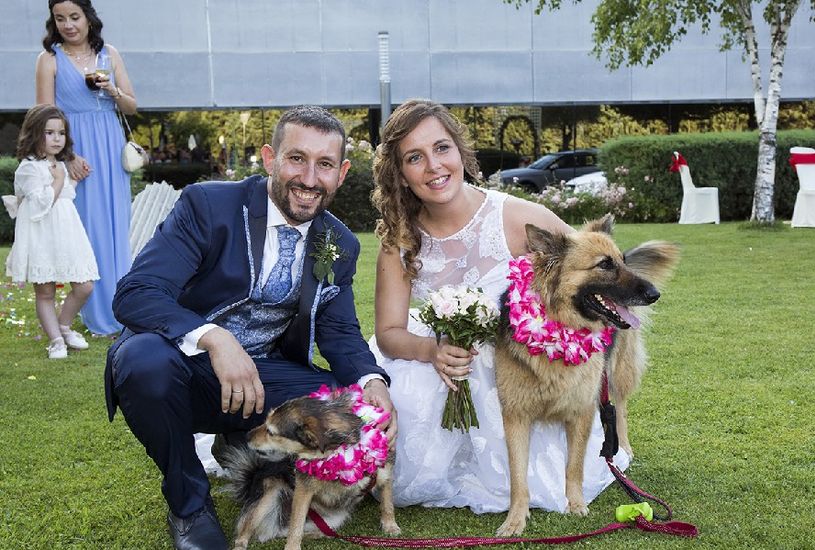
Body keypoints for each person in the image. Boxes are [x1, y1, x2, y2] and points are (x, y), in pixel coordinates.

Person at [106, 105, 396, 550]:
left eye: (325, 165)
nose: (309, 179)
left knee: (345, 402)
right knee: (143, 360)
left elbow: (338, 332)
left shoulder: (340, 242)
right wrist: (215, 338)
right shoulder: (208, 205)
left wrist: (370, 380)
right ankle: (188, 505)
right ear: (269, 158)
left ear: (342, 172)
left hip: (262, 377)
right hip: (180, 367)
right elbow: (137, 291)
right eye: (296, 158)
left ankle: (242, 439)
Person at [370, 99, 628, 513]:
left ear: (460, 151)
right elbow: (388, 333)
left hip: (518, 366)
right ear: (400, 174)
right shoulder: (398, 242)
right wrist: (432, 352)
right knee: (402, 400)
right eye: (414, 158)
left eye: (441, 148)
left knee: (544, 486)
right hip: (440, 359)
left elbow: (589, 277)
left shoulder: (515, 216)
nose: (433, 166)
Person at [36, 0, 136, 335]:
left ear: (88, 18)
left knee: (115, 226)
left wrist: (112, 89)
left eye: (74, 17)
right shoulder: (49, 60)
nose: (68, 25)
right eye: (60, 18)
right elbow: (44, 118)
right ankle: (96, 313)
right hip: (76, 154)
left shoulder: (110, 53)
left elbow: (132, 106)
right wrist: (68, 157)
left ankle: (124, 307)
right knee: (88, 232)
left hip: (110, 146)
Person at [4, 104, 98, 359]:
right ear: (35, 133)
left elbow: (65, 195)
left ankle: (64, 325)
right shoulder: (28, 168)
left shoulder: (58, 163)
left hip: (66, 231)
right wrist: (57, 180)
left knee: (84, 286)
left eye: (61, 133)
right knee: (45, 291)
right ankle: (56, 340)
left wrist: (73, 179)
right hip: (41, 232)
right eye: (50, 133)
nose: (57, 139)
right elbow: (41, 203)